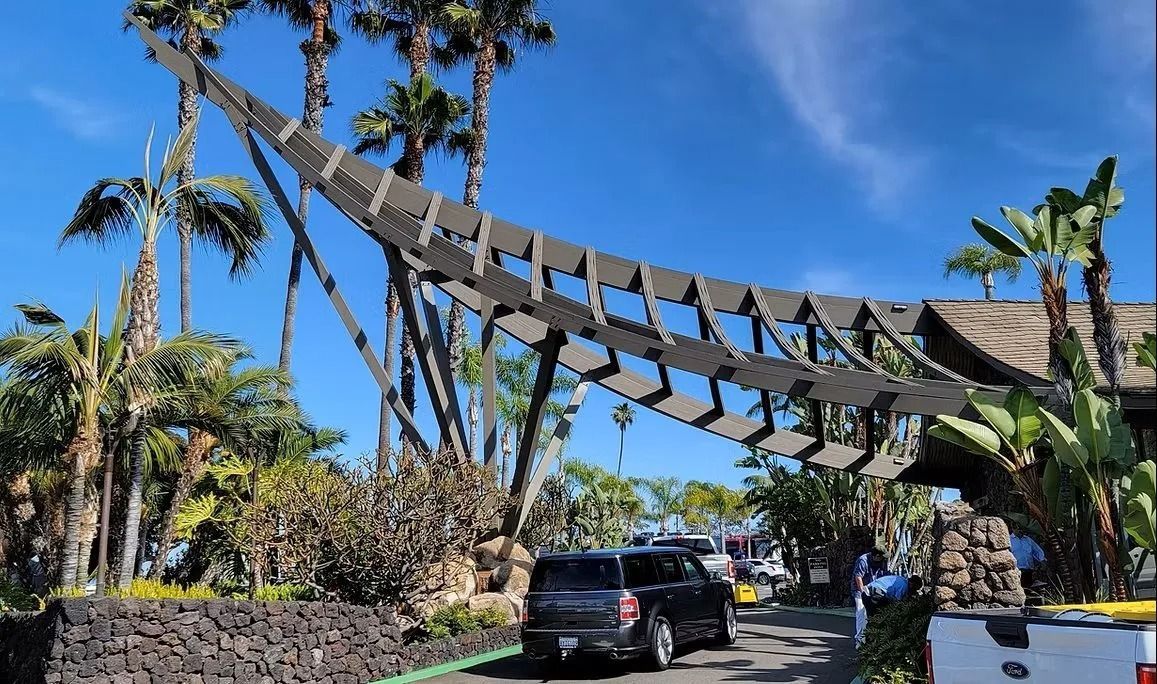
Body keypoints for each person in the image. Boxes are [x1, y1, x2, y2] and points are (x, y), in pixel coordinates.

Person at [850, 547, 889, 647]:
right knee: (861, 612)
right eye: (881, 557)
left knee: (873, 612)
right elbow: (858, 577)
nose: (883, 559)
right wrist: (863, 592)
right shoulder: (863, 560)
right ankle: (859, 640)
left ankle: (871, 637)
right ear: (876, 556)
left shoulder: (882, 561)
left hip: (874, 587)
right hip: (860, 589)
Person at [1009, 523, 1046, 588]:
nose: (1021, 530)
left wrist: (1042, 561)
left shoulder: (1028, 540)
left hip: (1029, 571)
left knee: (1029, 590)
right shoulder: (1009, 540)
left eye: (1022, 528)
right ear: (1013, 529)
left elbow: (1037, 550)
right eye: (1018, 528)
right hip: (1017, 572)